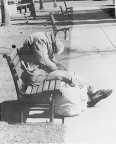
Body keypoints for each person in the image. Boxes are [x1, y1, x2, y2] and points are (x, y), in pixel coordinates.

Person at [20, 32, 112, 108]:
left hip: (39, 71)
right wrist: (57, 68)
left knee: (72, 72)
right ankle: (88, 98)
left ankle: (92, 91)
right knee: (68, 76)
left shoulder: (47, 39)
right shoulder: (41, 40)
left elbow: (50, 58)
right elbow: (44, 61)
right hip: (35, 75)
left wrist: (60, 66)